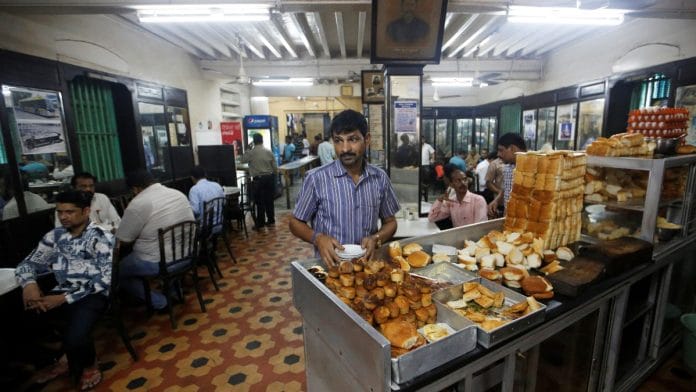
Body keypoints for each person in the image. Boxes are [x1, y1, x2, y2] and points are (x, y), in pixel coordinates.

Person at [16, 190, 113, 390]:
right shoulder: (55, 236)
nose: (63, 217)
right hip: (62, 290)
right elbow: (28, 263)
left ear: (86, 211)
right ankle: (60, 359)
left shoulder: (100, 237)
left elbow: (104, 279)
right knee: (19, 323)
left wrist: (63, 298)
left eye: (69, 212)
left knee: (76, 335)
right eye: (59, 212)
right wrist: (30, 284)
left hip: (92, 293)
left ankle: (89, 363)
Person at [289, 109, 400, 267]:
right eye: (338, 140)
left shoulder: (379, 178)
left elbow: (391, 222)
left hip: (366, 267)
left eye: (353, 139)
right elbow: (295, 222)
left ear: (366, 139)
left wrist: (376, 238)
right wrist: (318, 238)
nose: (345, 148)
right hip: (330, 268)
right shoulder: (316, 179)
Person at [116, 169, 194, 310]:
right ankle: (175, 293)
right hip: (187, 256)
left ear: (135, 189)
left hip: (158, 262)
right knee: (168, 246)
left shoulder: (138, 203)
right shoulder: (178, 194)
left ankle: (160, 302)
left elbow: (124, 239)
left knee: (116, 272)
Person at [54, 172, 121, 230]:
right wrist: (107, 228)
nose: (88, 189)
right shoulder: (64, 205)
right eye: (83, 186)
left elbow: (117, 222)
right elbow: (61, 231)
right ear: (73, 188)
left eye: (91, 186)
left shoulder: (102, 198)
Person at [241, 133, 278, 229]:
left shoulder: (251, 152)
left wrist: (248, 148)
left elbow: (242, 160)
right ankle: (271, 220)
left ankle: (260, 222)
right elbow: (275, 167)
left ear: (253, 141)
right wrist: (274, 176)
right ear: (262, 141)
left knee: (260, 201)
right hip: (269, 178)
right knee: (269, 200)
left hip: (259, 180)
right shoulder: (269, 151)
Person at [487, 133, 527, 217]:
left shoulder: (531, 169)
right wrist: (496, 201)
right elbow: (505, 189)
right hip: (508, 218)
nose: (498, 154)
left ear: (512, 148)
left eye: (501, 150)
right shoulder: (508, 167)